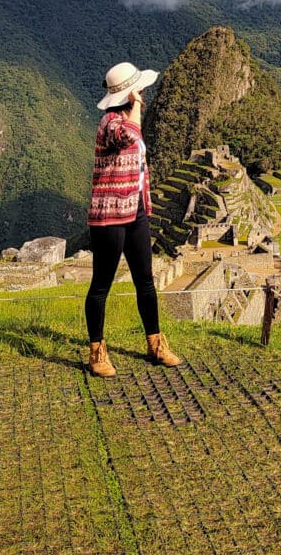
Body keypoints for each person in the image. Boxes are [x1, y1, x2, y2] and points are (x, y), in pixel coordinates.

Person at [85, 61, 181, 377]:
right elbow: (128, 136)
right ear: (129, 95)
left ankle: (155, 344)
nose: (143, 95)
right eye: (138, 91)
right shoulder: (110, 124)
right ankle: (97, 351)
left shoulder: (127, 122)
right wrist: (136, 107)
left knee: (145, 281)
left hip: (137, 212)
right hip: (110, 216)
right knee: (101, 285)